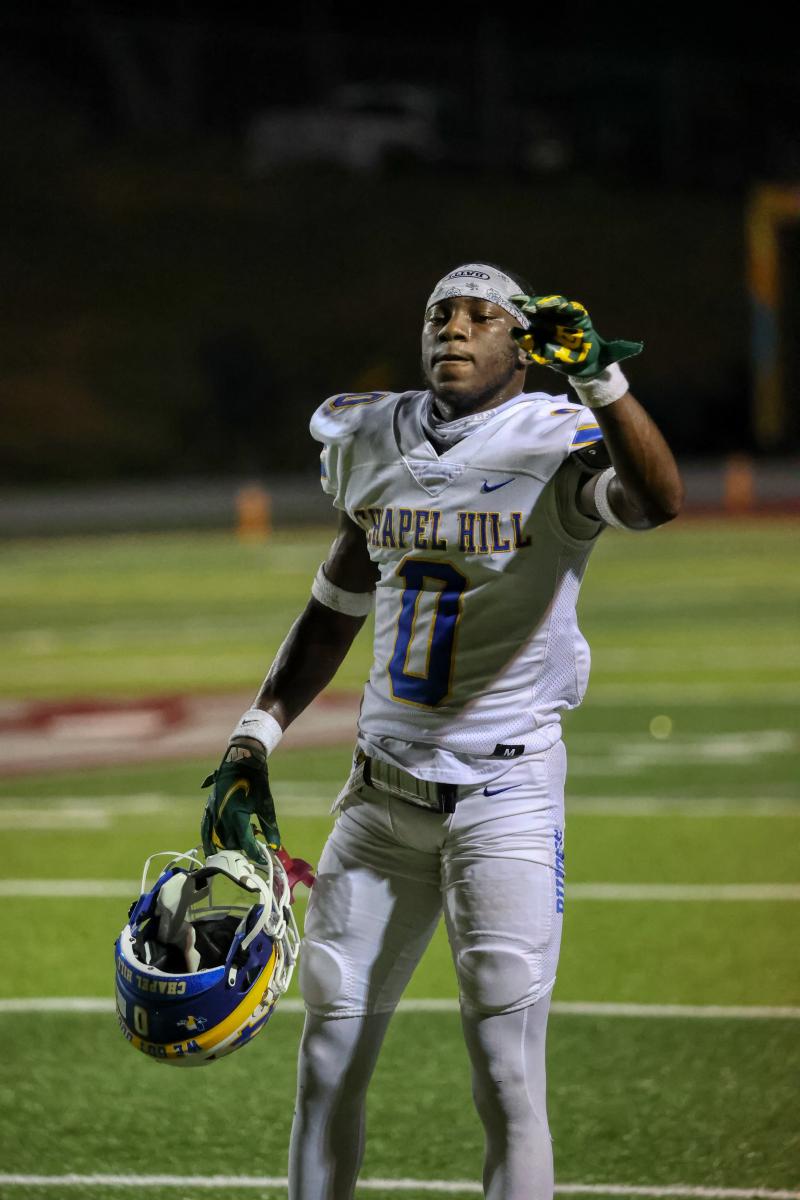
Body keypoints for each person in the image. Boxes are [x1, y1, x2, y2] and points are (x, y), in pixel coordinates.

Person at [201, 263, 683, 1200]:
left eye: (479, 317)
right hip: (379, 797)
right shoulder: (371, 437)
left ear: (522, 346)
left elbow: (657, 500)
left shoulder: (555, 436)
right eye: (438, 314)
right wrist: (255, 732)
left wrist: (602, 378)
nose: (453, 329)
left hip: (503, 797)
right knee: (326, 1061)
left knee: (506, 1077)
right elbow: (335, 605)